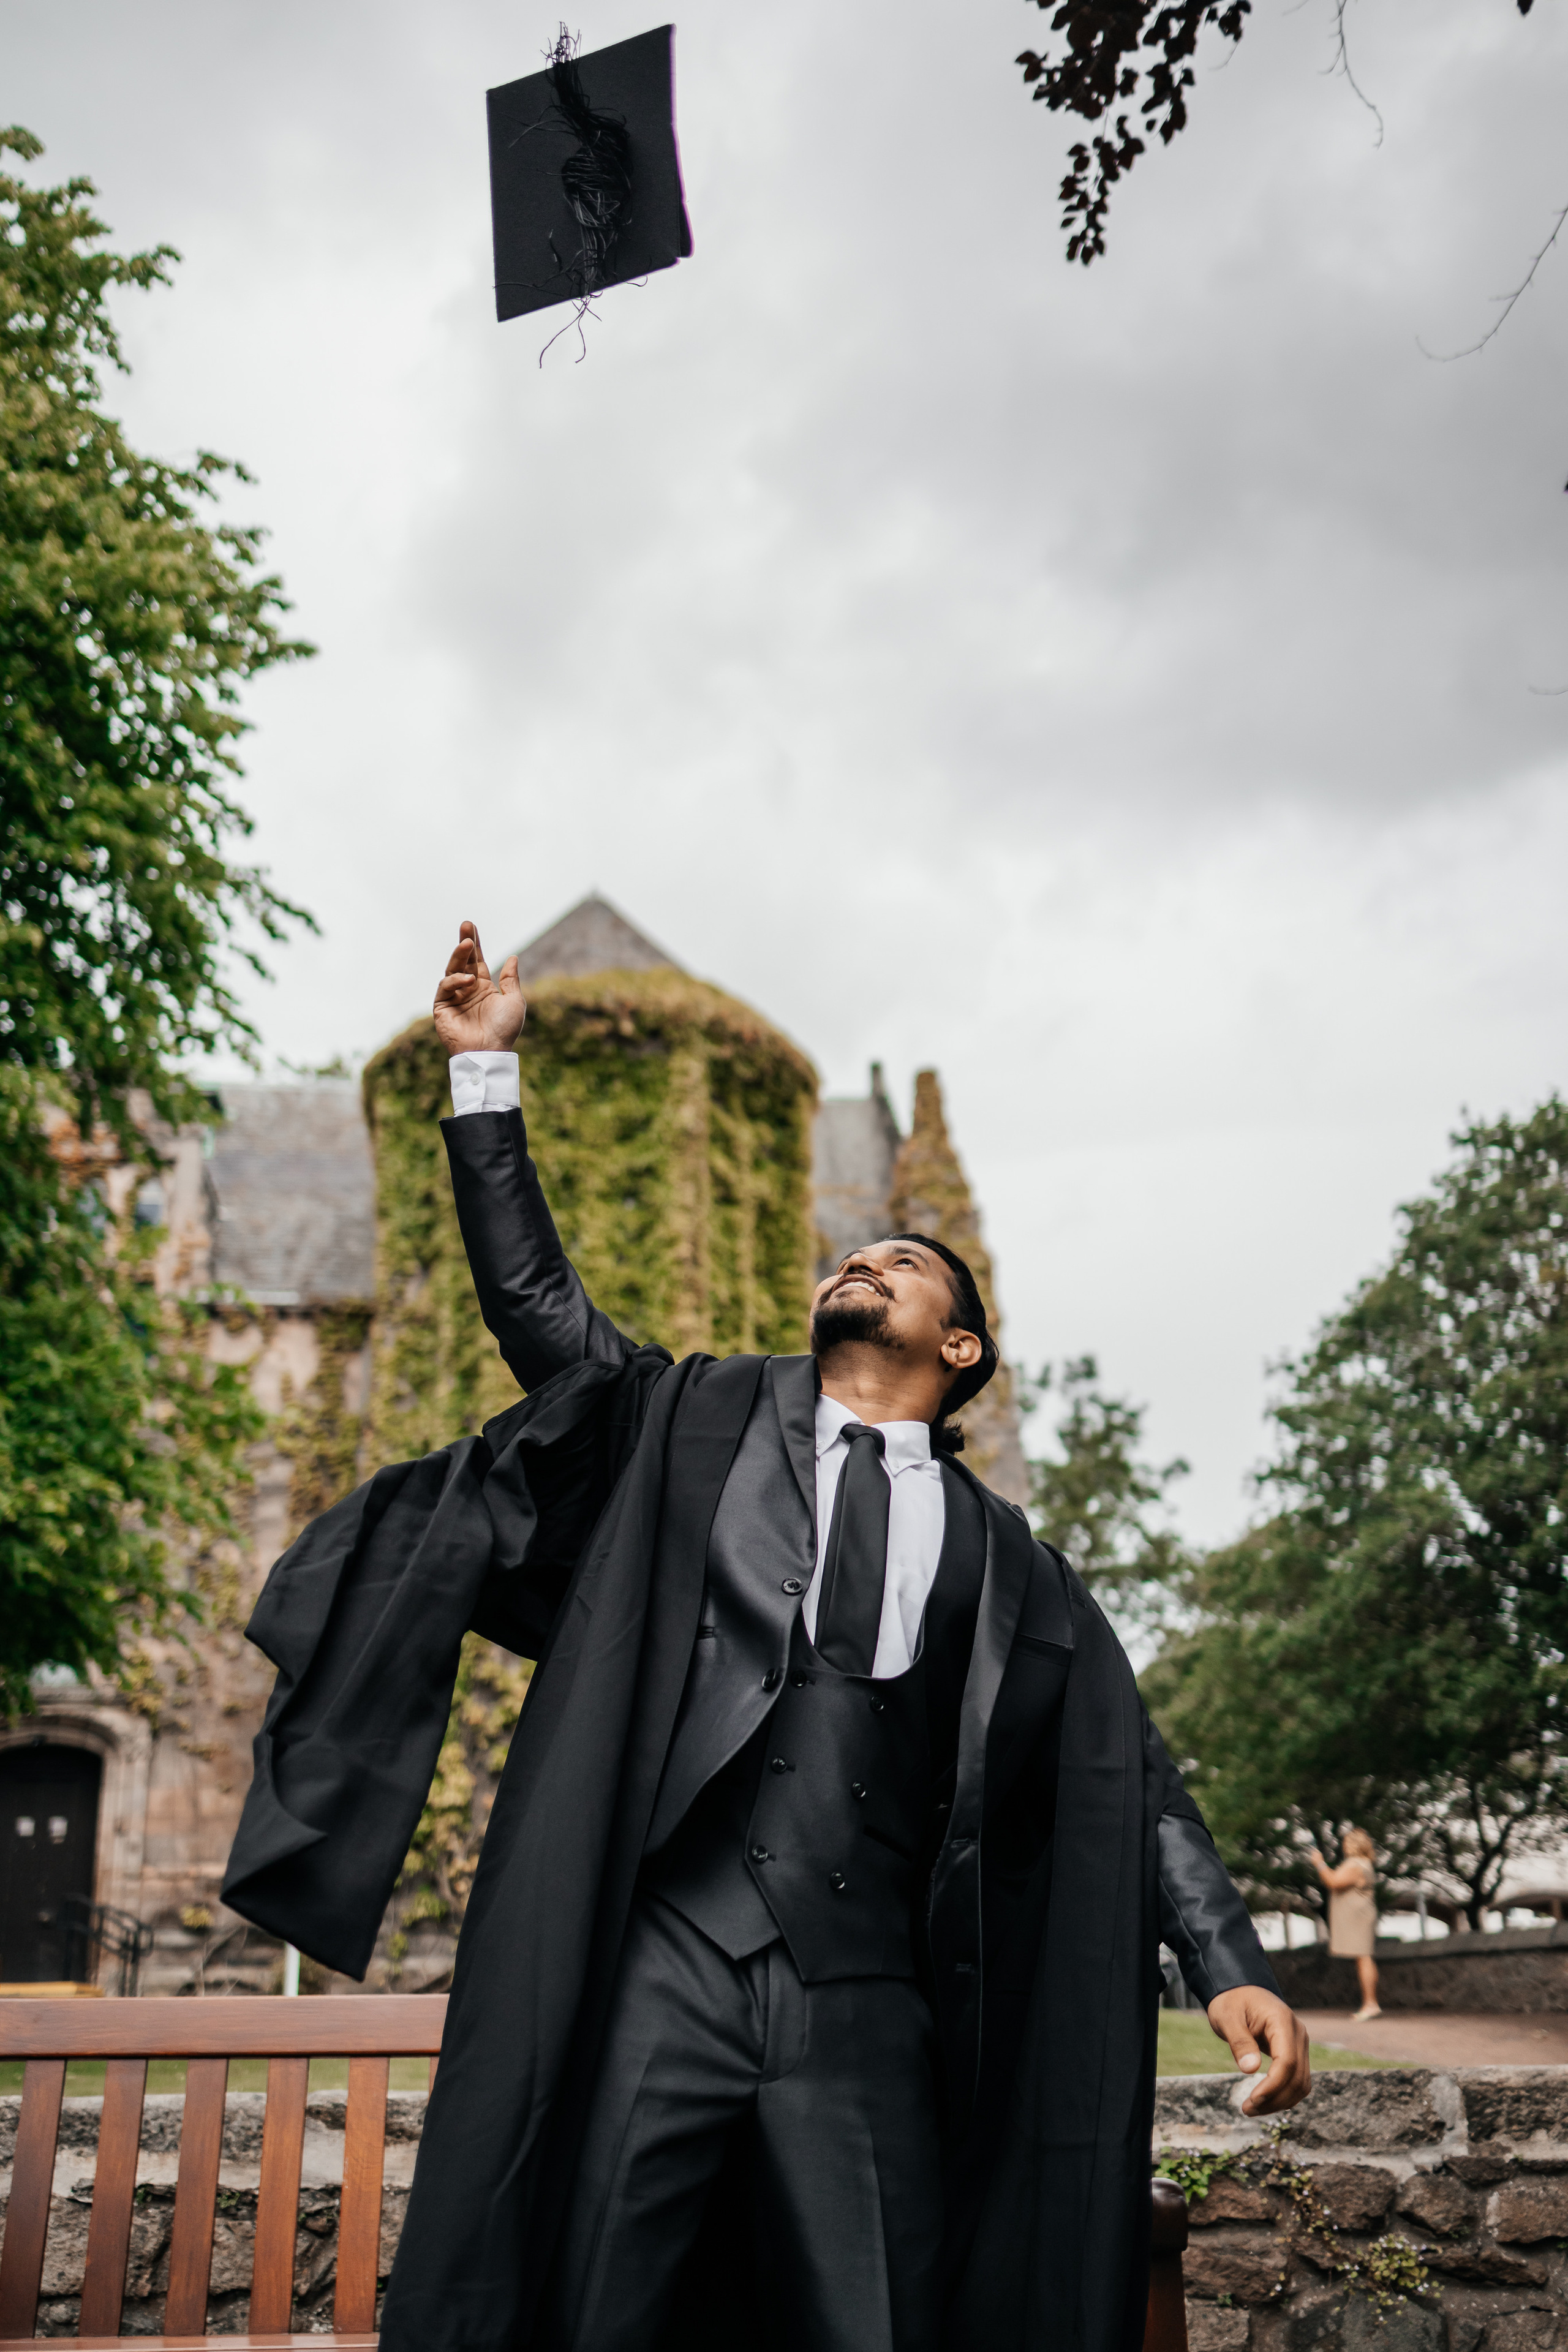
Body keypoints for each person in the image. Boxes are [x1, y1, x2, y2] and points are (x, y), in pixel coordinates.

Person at [224, 921, 1312, 2352]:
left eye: (900, 1261)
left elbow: (1128, 1773)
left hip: (865, 2003)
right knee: (594, 2308)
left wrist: (1229, 1961)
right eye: (854, 1253)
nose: (864, 1257)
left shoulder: (1013, 1570)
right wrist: (483, 1075)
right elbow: (540, 1312)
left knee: (875, 2322)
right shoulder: (696, 1421)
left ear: (961, 1348)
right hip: (664, 1966)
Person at [1311, 1828, 1381, 2019]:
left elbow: (1333, 1881)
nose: (1345, 1846)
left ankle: (1371, 2004)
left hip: (1359, 1917)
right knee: (1363, 1957)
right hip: (1360, 1915)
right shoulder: (1363, 1863)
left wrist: (1320, 1864)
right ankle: (1370, 2003)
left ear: (1357, 1845)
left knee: (1364, 1957)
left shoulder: (1356, 1864)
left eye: (1348, 1843)